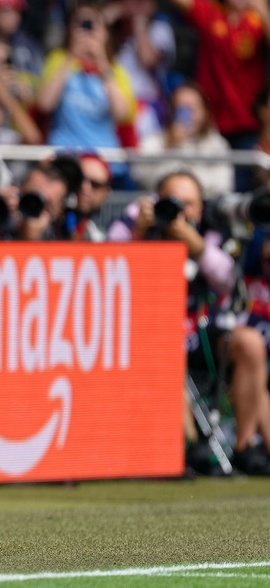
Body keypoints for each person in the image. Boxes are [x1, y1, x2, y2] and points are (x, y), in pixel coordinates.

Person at [108, 171, 270, 475]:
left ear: (199, 206)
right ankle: (190, 446)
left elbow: (229, 282)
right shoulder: (136, 224)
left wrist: (195, 244)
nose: (181, 211)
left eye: (189, 204)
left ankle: (246, 447)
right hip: (152, 333)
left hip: (202, 329)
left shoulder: (212, 229)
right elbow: (107, 266)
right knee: (166, 344)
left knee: (250, 343)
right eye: (174, 202)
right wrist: (138, 235)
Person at [158, 0, 269, 159]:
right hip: (210, 129)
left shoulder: (261, 20)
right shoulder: (210, 12)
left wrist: (264, 12)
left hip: (249, 127)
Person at [36, 4, 136, 184]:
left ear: (105, 33)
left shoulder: (116, 70)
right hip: (64, 158)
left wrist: (101, 62)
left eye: (93, 25)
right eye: (82, 24)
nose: (87, 31)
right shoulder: (58, 59)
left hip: (104, 162)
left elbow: (122, 115)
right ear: (70, 30)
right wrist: (71, 56)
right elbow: (45, 104)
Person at [103, 0, 176, 148]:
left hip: (144, 110)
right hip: (108, 106)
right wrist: (112, 15)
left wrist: (139, 22)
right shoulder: (110, 29)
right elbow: (88, 42)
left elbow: (147, 59)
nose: (138, 1)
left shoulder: (160, 28)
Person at [133, 82, 233, 197]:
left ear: (205, 112)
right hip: (164, 207)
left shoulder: (217, 144)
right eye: (181, 108)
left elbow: (222, 185)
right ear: (171, 111)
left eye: (192, 108)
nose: (188, 115)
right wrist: (168, 145)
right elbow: (142, 179)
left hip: (205, 208)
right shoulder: (153, 142)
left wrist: (188, 189)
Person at [70, 153, 113, 241]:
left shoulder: (109, 235)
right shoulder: (48, 221)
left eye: (95, 185)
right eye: (79, 180)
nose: (85, 187)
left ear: (106, 193)